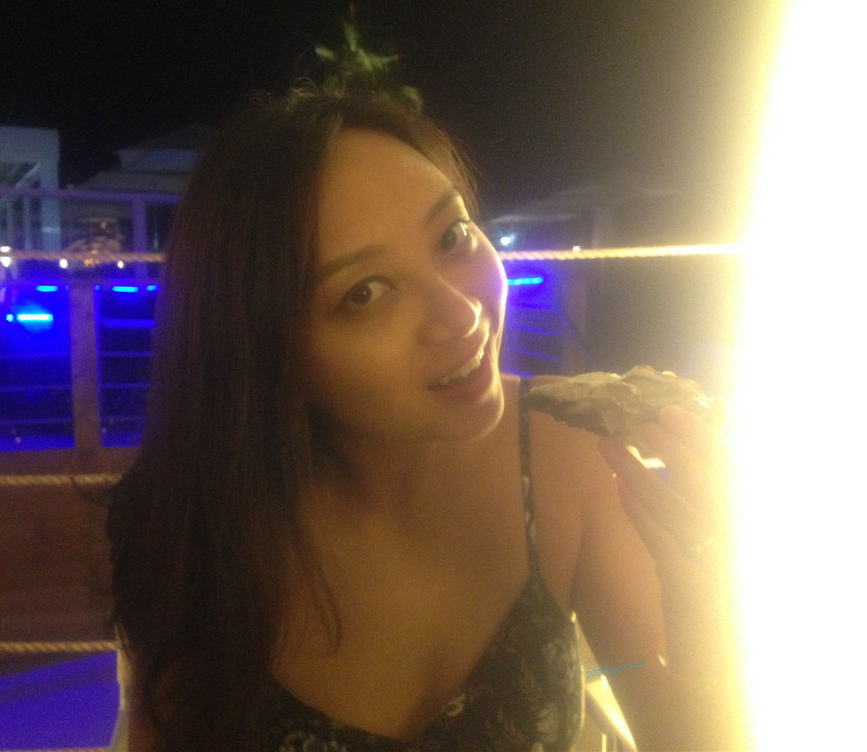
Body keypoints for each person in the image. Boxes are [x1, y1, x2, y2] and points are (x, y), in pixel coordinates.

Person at [107, 87, 746, 751]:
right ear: (270, 353)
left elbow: (679, 721)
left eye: (452, 236)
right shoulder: (201, 526)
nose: (461, 314)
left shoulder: (565, 450)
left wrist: (712, 613)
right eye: (365, 292)